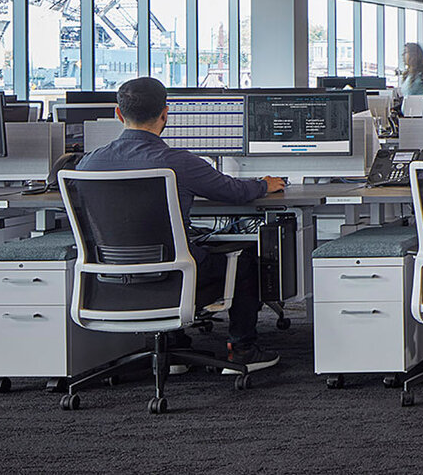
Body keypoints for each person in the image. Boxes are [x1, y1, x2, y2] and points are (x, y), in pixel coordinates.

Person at [75, 77, 286, 373]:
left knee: (180, 246)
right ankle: (243, 350)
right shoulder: (179, 163)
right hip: (172, 275)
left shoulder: (87, 165)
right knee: (246, 260)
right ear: (165, 114)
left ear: (118, 114)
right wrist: (263, 185)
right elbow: (233, 191)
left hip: (111, 278)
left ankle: (173, 347)